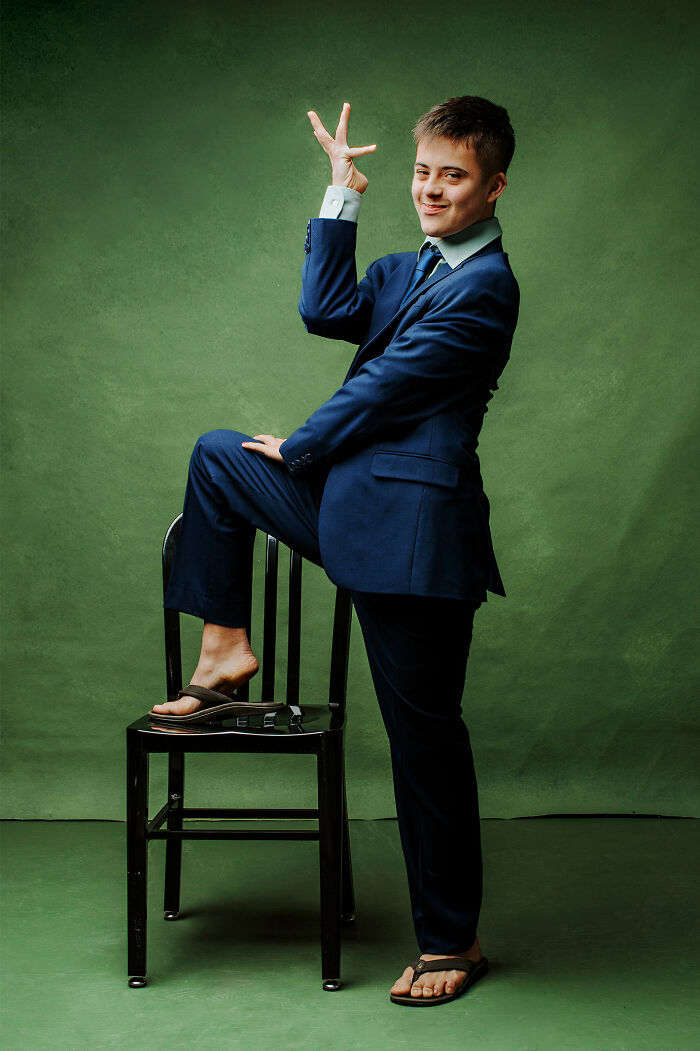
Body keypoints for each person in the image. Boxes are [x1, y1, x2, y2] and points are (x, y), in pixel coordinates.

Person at [150, 96, 520, 1007]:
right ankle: (226, 650)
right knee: (217, 453)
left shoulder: (486, 288)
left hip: (417, 544)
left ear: (495, 186)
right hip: (350, 511)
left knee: (423, 745)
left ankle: (451, 940)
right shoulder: (409, 268)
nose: (432, 188)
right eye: (423, 171)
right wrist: (340, 196)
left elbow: (393, 386)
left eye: (454, 176)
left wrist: (304, 445)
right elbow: (325, 310)